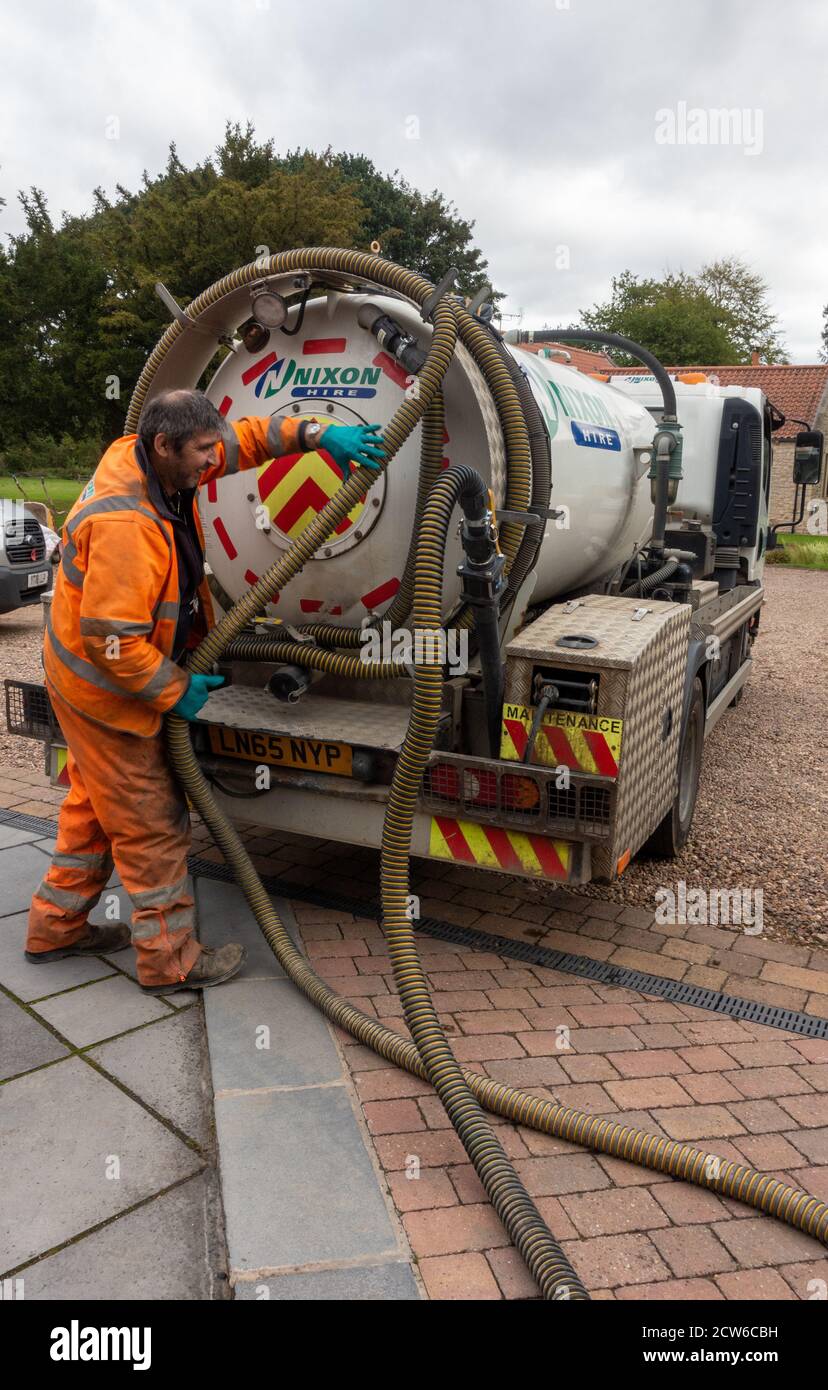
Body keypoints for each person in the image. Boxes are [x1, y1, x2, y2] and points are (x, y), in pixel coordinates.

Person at [25, 390, 385, 994]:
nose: (212, 461)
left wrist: (319, 437)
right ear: (164, 446)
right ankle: (170, 962)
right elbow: (114, 644)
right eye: (201, 452)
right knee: (152, 823)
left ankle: (55, 929)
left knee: (93, 807)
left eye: (212, 448)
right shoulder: (126, 526)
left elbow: (246, 438)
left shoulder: (157, 458)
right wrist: (177, 688)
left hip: (92, 679)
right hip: (106, 690)